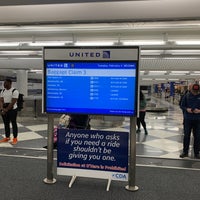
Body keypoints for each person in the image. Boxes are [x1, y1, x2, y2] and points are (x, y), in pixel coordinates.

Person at [179, 83, 200, 159]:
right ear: (191, 89)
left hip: (198, 120)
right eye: (194, 90)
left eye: (196, 90)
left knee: (197, 137)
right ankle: (185, 152)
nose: (195, 92)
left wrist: (199, 111)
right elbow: (181, 105)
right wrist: (187, 109)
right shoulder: (186, 96)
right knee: (186, 136)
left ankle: (197, 153)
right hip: (188, 119)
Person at [0, 78, 19, 145]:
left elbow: (13, 102)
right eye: (4, 83)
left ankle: (15, 138)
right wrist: (2, 109)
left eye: (5, 83)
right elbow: (1, 100)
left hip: (12, 109)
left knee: (13, 123)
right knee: (6, 123)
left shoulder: (14, 91)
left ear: (10, 83)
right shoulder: (3, 91)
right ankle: (7, 137)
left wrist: (6, 110)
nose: (4, 84)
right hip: (4, 108)